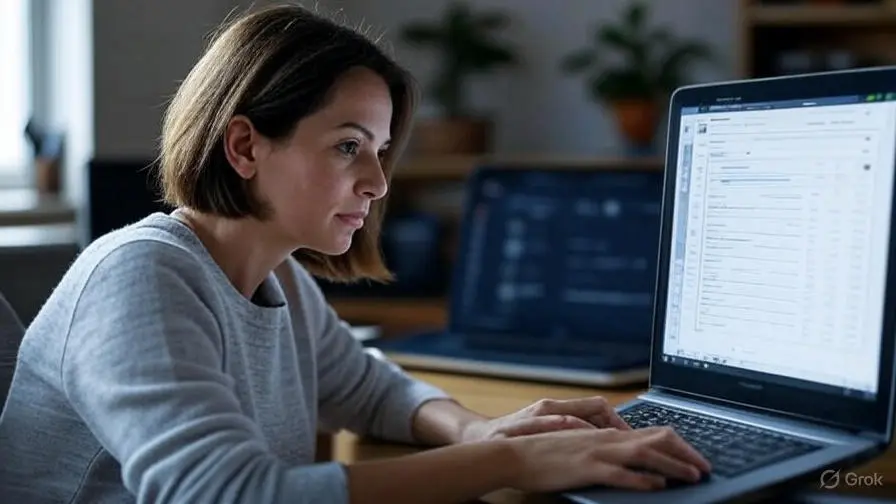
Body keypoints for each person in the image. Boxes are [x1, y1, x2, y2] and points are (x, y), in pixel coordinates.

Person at [0, 4, 710, 503]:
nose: (375, 183)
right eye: (347, 147)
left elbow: (371, 387)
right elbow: (224, 493)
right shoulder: (139, 276)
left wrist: (476, 427)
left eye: (377, 150)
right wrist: (513, 457)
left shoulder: (276, 277)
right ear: (245, 146)